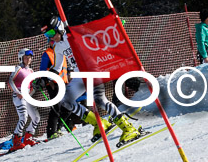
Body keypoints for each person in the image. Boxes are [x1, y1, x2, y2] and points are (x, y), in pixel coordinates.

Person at [38, 17, 142, 145]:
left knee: (100, 100)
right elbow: (56, 68)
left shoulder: (74, 35)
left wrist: (113, 26)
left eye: (51, 33)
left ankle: (128, 129)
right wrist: (43, 79)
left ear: (58, 27)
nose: (51, 37)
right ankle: (99, 123)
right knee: (65, 101)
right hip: (78, 76)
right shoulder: (58, 47)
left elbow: (95, 34)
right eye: (47, 35)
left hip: (91, 71)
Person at [8, 48, 40, 152]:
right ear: (21, 58)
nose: (28, 59)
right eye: (26, 58)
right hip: (19, 95)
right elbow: (10, 81)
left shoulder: (31, 71)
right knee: (23, 117)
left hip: (27, 95)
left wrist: (35, 87)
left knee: (36, 117)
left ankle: (28, 137)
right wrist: (18, 92)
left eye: (30, 58)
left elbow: (31, 87)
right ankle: (16, 140)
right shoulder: (18, 68)